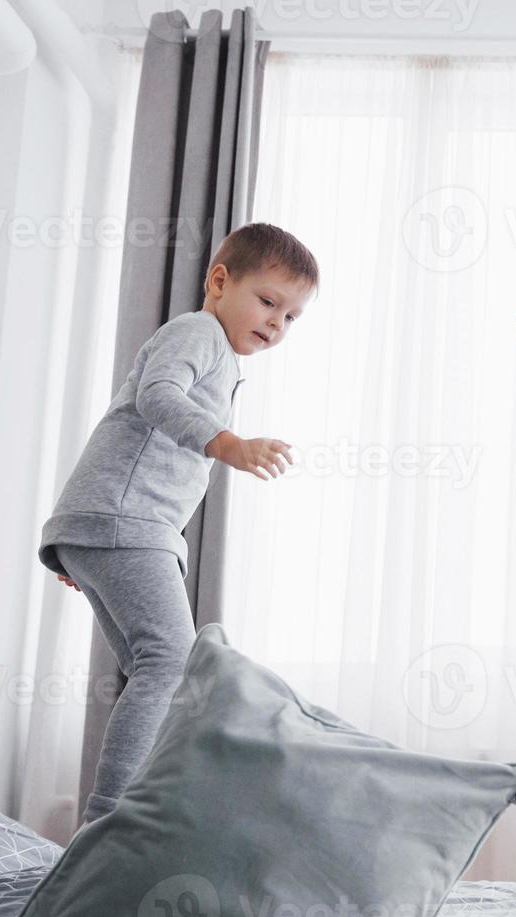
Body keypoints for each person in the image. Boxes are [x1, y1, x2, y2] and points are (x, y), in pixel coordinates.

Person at [39, 223, 317, 824]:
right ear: (219, 281)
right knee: (170, 662)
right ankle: (106, 821)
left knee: (157, 668)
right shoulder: (199, 333)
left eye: (291, 317)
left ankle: (132, 812)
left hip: (116, 525)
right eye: (269, 301)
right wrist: (226, 443)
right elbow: (156, 397)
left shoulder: (219, 353)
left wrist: (85, 546)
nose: (276, 322)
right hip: (124, 521)